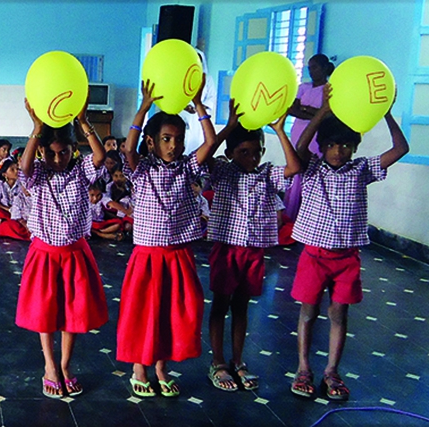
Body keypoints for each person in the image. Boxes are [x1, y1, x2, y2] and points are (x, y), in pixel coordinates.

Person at [289, 86, 408, 401]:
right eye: (331, 145)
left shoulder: (362, 169)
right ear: (323, 147)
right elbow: (300, 148)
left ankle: (331, 371)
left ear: (354, 147)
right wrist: (323, 113)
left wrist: (385, 112)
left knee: (339, 314)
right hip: (314, 254)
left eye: (345, 145)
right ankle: (303, 368)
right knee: (308, 312)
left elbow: (400, 148)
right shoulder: (312, 169)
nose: (338, 151)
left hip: (346, 258)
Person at [118, 78, 213, 398]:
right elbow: (128, 148)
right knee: (144, 314)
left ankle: (161, 366)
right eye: (166, 139)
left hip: (178, 255)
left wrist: (199, 106)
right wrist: (144, 107)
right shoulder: (141, 169)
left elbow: (210, 144)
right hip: (148, 257)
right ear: (152, 142)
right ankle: (139, 368)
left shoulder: (187, 168)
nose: (174, 145)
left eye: (178, 139)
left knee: (172, 314)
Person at [203, 101, 301, 392]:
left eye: (257, 151)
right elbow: (207, 153)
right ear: (230, 153)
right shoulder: (222, 170)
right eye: (244, 152)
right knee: (221, 304)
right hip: (226, 249)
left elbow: (294, 166)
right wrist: (229, 127)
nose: (252, 157)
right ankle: (218, 361)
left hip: (253, 252)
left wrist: (280, 131)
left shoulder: (267, 173)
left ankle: (238, 360)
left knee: (242, 307)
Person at [16, 101, 108, 399]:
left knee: (73, 313)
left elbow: (100, 155)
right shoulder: (38, 173)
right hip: (44, 255)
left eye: (64, 151)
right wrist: (36, 131)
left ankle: (66, 366)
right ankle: (50, 366)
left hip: (75, 254)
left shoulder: (81, 171)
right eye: (51, 152)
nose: (58, 158)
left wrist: (84, 122)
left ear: (73, 150)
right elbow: (25, 168)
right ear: (42, 151)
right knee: (45, 313)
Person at [284, 54, 335, 220]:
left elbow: (328, 115)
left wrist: (306, 110)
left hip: (316, 135)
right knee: (296, 167)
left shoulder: (330, 90)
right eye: (309, 67)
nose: (311, 71)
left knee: (311, 168)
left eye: (315, 67)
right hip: (299, 131)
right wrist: (316, 113)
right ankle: (291, 214)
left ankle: (309, 214)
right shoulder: (303, 87)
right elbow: (291, 109)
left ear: (324, 68)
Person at [179, 49, 217, 155]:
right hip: (183, 114)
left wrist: (199, 106)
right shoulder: (181, 78)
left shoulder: (208, 79)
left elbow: (211, 98)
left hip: (199, 116)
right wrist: (185, 107)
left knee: (200, 140)